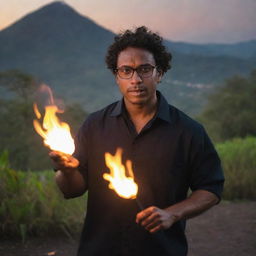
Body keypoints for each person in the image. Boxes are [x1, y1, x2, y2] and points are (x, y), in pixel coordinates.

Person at [50, 26, 224, 256]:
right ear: (116, 76)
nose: (136, 79)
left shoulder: (188, 131)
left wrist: (173, 213)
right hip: (100, 249)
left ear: (159, 73)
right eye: (126, 71)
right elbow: (72, 190)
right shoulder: (95, 125)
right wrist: (68, 171)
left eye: (145, 69)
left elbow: (210, 189)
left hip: (161, 249)